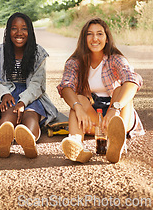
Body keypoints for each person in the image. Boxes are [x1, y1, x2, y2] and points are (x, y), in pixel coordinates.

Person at [58, 17, 144, 164]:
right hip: (93, 119)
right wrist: (77, 107)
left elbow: (133, 80)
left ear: (107, 38)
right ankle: (76, 145)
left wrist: (114, 109)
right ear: (84, 38)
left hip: (118, 115)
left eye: (99, 34)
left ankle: (116, 144)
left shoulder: (115, 59)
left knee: (119, 91)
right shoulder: (74, 62)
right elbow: (66, 86)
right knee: (79, 98)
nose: (94, 38)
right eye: (89, 34)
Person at [0, 12, 58, 158]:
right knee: (7, 117)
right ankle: (4, 142)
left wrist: (23, 102)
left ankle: (29, 140)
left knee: (30, 117)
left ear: (30, 31)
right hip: (8, 93)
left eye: (24, 28)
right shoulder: (0, 51)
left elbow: (37, 84)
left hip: (31, 94)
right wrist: (4, 95)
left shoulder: (38, 52)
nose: (19, 33)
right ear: (8, 31)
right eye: (14, 28)